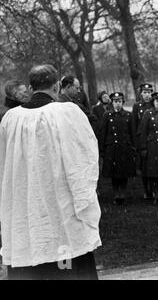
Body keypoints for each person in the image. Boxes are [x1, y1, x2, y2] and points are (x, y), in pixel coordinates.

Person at [0, 64, 101, 280]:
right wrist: (84, 197)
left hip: (26, 203)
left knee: (33, 242)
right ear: (56, 86)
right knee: (66, 253)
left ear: (30, 87)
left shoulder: (10, 118)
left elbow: (4, 164)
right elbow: (85, 157)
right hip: (60, 201)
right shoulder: (68, 112)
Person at [99, 92, 137, 205]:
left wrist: (134, 147)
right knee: (114, 173)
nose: (117, 104)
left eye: (119, 101)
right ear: (112, 103)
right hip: (112, 148)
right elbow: (103, 133)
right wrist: (102, 149)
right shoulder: (107, 115)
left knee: (124, 173)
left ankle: (123, 194)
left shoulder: (128, 115)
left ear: (123, 102)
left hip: (125, 148)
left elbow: (132, 133)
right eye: (115, 102)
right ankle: (116, 194)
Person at [132, 83, 154, 199]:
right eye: (145, 92)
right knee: (144, 167)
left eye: (149, 92)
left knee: (154, 166)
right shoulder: (137, 106)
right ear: (141, 93)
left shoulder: (154, 104)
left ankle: (154, 189)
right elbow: (134, 125)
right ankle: (146, 190)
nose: (147, 95)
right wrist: (136, 144)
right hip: (142, 141)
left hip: (153, 140)